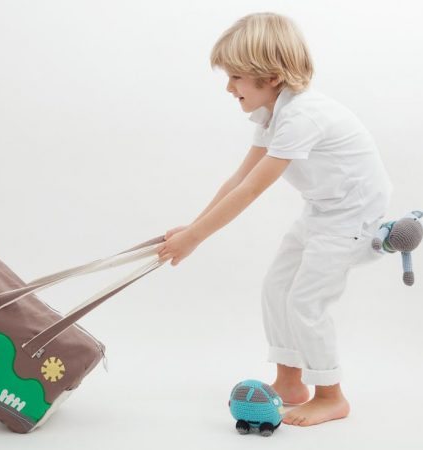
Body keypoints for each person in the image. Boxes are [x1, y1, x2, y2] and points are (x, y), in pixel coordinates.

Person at [156, 12, 393, 426]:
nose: (229, 88)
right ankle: (289, 382)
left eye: (235, 77)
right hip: (323, 210)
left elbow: (251, 190)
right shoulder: (272, 116)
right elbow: (238, 179)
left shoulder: (301, 118)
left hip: (352, 218)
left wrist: (194, 239)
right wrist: (192, 228)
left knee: (306, 301)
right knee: (277, 287)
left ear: (271, 77)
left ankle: (331, 395)